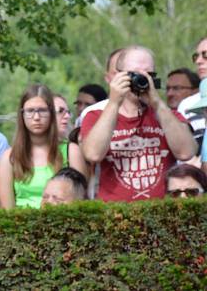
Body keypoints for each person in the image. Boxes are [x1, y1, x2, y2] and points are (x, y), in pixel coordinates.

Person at [80, 46, 196, 201]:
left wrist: (157, 103)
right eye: (133, 74)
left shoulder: (168, 115)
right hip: (115, 216)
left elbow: (186, 152)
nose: (142, 80)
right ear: (118, 76)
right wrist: (114, 102)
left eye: (148, 74)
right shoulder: (96, 116)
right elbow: (93, 154)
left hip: (162, 214)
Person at [0, 84, 65, 209]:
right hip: (20, 226)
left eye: (42, 110)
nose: (36, 117)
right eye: (30, 111)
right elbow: (6, 211)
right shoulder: (9, 158)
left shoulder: (71, 151)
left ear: (51, 113)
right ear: (22, 115)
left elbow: (80, 204)